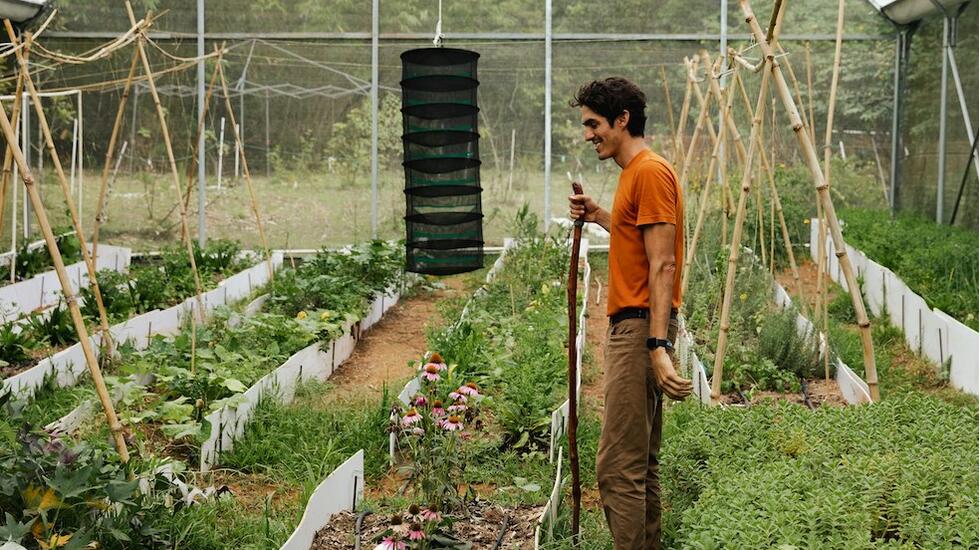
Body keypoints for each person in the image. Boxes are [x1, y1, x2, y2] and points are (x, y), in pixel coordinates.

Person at [568, 77, 693, 549]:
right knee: (638, 462)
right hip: (638, 325)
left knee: (618, 467)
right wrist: (601, 214)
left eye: (593, 124)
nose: (588, 135)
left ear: (623, 119)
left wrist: (658, 347)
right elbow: (639, 241)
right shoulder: (635, 174)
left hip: (641, 328)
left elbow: (663, 263)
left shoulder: (649, 172)